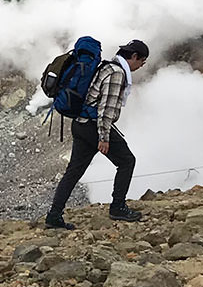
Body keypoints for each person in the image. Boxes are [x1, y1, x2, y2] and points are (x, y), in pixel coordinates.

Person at [46, 39, 149, 226]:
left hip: (80, 124)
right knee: (127, 161)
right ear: (134, 57)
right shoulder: (117, 73)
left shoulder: (107, 66)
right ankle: (118, 207)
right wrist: (104, 137)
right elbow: (106, 109)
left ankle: (54, 215)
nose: (142, 65)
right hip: (94, 126)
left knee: (74, 172)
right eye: (142, 61)